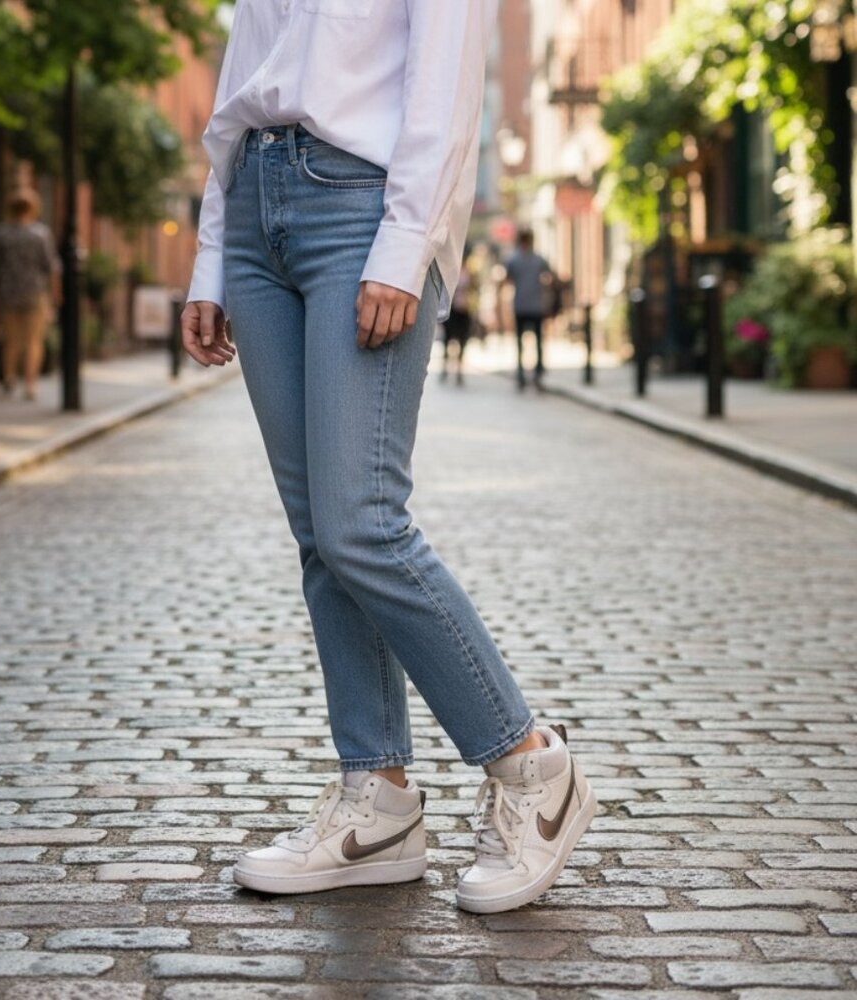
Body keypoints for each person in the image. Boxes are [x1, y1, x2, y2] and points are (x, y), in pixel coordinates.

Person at [181, 0, 595, 914]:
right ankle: (379, 802)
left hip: (359, 207)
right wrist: (213, 258)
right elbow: (241, 78)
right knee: (320, 536)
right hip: (256, 203)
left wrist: (406, 244)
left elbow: (443, 84)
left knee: (362, 522)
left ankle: (533, 768)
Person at [0, 188, 60, 400]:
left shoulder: (1, 233)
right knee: (33, 341)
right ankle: (31, 384)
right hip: (34, 293)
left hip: (7, 293)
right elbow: (50, 266)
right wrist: (55, 295)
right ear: (34, 209)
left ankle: (9, 377)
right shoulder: (40, 234)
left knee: (10, 340)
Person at [503, 228, 554, 390]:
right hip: (535, 305)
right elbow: (550, 277)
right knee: (538, 342)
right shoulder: (538, 259)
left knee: (520, 343)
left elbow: (507, 280)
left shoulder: (513, 260)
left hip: (520, 305)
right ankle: (537, 375)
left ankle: (521, 375)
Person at [440, 252, 474, 386]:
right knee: (447, 341)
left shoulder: (470, 273)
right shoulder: (451, 271)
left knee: (462, 342)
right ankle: (445, 369)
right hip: (452, 310)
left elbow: (473, 290)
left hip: (464, 310)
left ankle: (459, 371)